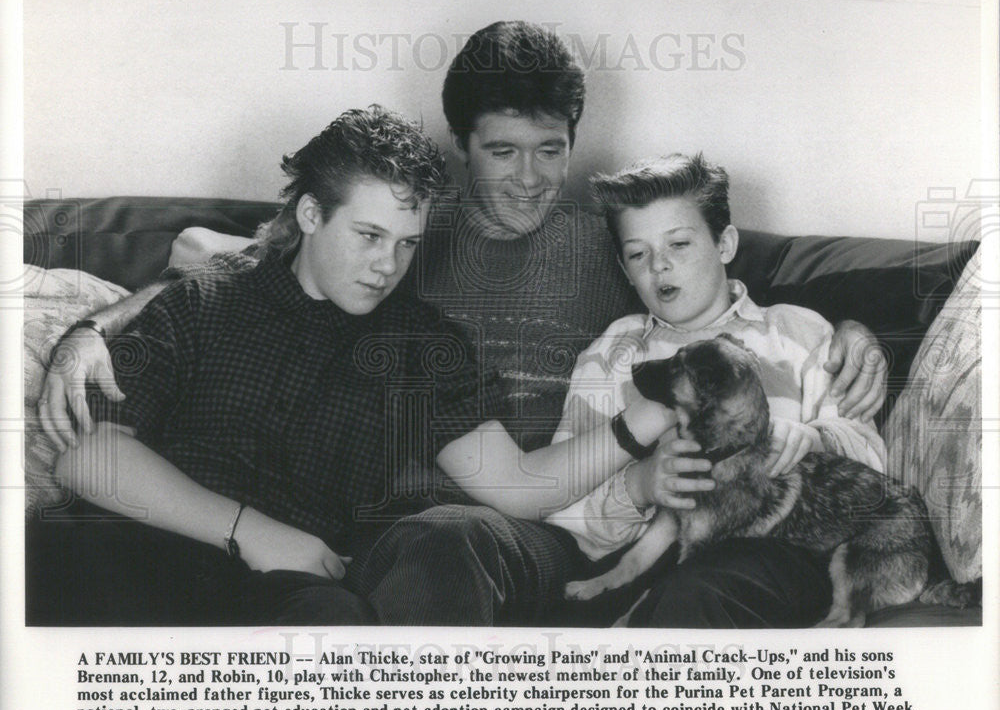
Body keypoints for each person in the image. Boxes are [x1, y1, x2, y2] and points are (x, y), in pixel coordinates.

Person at [36, 22, 886, 626]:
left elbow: (727, 285)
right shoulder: (377, 237)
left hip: (504, 528)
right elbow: (210, 258)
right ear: (459, 147)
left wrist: (851, 330)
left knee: (421, 558)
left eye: (550, 149)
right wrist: (92, 329)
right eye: (501, 151)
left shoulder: (605, 251)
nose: (528, 178)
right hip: (243, 533)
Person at [34, 105, 677, 625]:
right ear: (312, 214)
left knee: (338, 629)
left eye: (407, 245)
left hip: (288, 591)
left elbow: (519, 487)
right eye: (368, 236)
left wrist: (643, 419)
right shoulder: (207, 298)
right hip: (136, 550)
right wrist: (247, 531)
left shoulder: (422, 342)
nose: (386, 266)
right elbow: (91, 458)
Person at [547, 153, 886, 627]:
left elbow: (872, 461)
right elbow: (559, 499)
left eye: (679, 244)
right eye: (638, 254)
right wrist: (639, 486)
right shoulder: (613, 353)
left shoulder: (799, 332)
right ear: (624, 270)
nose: (659, 266)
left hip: (767, 554)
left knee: (695, 594)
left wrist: (818, 437)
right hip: (642, 552)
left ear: (724, 243)